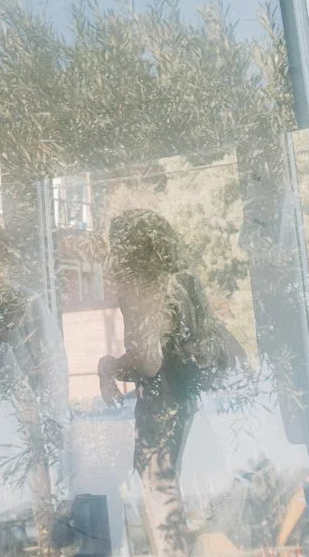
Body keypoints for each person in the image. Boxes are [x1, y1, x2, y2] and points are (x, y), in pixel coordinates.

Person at [97, 210, 241, 557]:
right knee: (190, 498)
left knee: (163, 501)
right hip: (190, 405)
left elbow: (150, 357)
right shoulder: (182, 280)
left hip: (162, 411)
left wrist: (109, 367)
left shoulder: (146, 289)